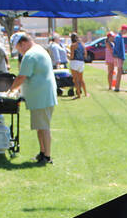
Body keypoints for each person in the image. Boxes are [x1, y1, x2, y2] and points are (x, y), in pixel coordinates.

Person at [10, 32, 57, 164]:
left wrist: (10, 90)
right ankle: (42, 152)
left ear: (23, 43)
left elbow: (21, 77)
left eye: (19, 48)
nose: (19, 51)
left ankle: (47, 156)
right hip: (41, 96)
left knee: (44, 127)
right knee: (39, 126)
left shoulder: (30, 55)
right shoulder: (38, 50)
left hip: (41, 96)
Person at [111, 25, 127, 90]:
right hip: (119, 57)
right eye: (126, 30)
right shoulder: (118, 37)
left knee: (119, 71)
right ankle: (116, 86)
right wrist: (119, 56)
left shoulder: (120, 37)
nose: (126, 32)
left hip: (120, 56)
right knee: (119, 71)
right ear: (123, 30)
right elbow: (117, 48)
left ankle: (117, 86)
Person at [68, 33, 86, 98]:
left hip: (74, 62)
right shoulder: (82, 44)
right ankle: (86, 93)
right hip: (81, 62)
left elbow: (72, 56)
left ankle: (78, 94)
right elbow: (85, 55)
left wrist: (68, 56)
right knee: (81, 79)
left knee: (75, 79)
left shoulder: (73, 45)